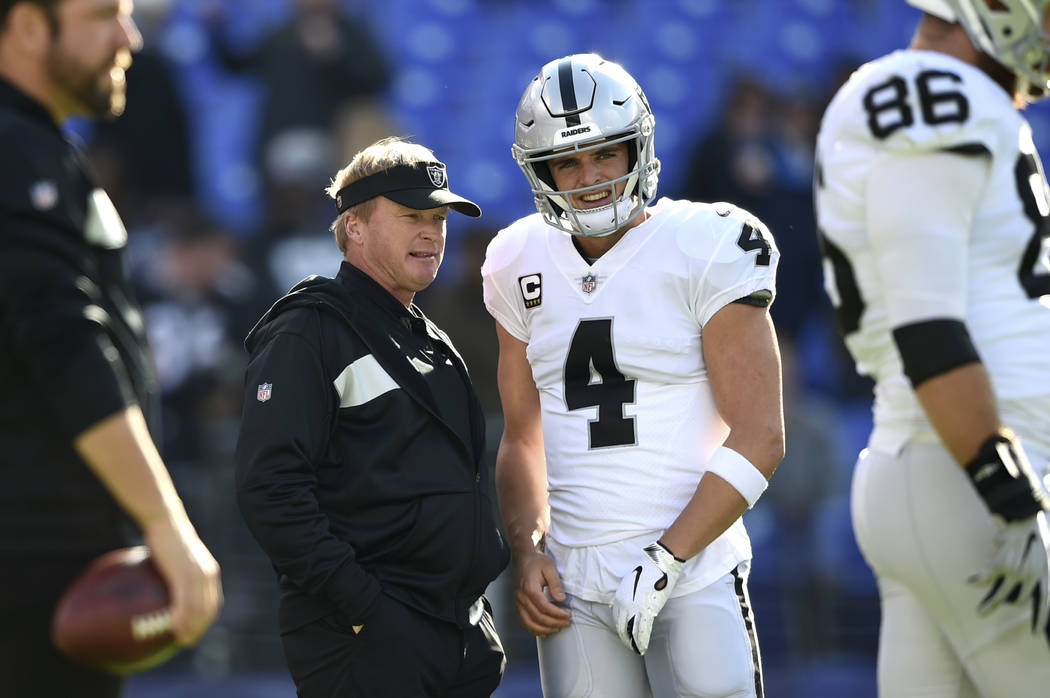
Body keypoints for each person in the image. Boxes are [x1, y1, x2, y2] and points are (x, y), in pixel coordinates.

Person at [482, 53, 785, 698]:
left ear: (637, 150)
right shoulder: (515, 258)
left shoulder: (708, 242)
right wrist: (526, 547)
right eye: (568, 161)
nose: (590, 177)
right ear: (541, 171)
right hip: (571, 577)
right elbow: (521, 437)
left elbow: (761, 435)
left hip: (691, 565)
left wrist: (665, 561)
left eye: (605, 154)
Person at [813, 1, 1050, 695]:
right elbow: (926, 326)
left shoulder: (965, 100)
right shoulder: (931, 93)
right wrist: (1011, 495)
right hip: (967, 472)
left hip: (946, 473)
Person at [0, 1, 223, 697]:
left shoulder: (39, 145)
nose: (129, 37)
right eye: (104, 15)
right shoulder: (16, 150)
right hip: (34, 557)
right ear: (30, 27)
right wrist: (164, 524)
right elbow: (66, 347)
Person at [235, 137, 510, 698]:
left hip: (453, 634)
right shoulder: (308, 331)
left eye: (438, 217)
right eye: (411, 215)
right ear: (353, 226)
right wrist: (366, 609)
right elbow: (269, 490)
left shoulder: (428, 337)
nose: (432, 232)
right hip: (366, 642)